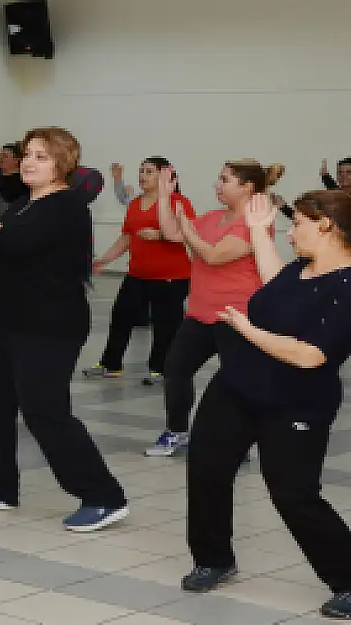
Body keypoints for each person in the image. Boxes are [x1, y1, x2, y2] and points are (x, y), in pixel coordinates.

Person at [0, 127, 129, 532]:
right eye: (28, 154)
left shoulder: (67, 206)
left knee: (45, 412)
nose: (30, 162)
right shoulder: (22, 204)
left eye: (42, 156)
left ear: (62, 164)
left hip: (47, 327)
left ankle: (104, 496)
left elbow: (11, 243)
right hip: (3, 324)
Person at [182, 190, 351, 620]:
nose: (291, 233)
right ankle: (213, 559)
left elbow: (310, 354)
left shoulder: (347, 287)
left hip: (295, 403)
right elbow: (278, 286)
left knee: (294, 495)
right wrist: (259, 233)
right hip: (236, 388)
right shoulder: (302, 269)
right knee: (207, 472)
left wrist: (244, 328)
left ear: (327, 225)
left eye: (298, 224)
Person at [145, 159, 281, 457]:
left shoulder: (254, 224)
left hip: (237, 317)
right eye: (218, 179)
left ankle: (239, 441)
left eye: (225, 180)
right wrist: (167, 197)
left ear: (247, 187)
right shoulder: (213, 217)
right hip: (199, 314)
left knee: (236, 380)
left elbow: (213, 255)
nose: (217, 186)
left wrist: (187, 228)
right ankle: (177, 431)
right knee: (175, 370)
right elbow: (172, 233)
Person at [86, 158, 194, 385]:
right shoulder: (135, 204)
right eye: (141, 171)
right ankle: (111, 364)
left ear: (164, 177)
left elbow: (189, 234)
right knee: (120, 317)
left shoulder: (179, 202)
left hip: (171, 278)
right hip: (137, 274)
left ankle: (162, 369)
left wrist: (161, 235)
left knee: (166, 325)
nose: (143, 176)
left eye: (149, 172)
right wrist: (105, 259)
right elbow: (127, 237)